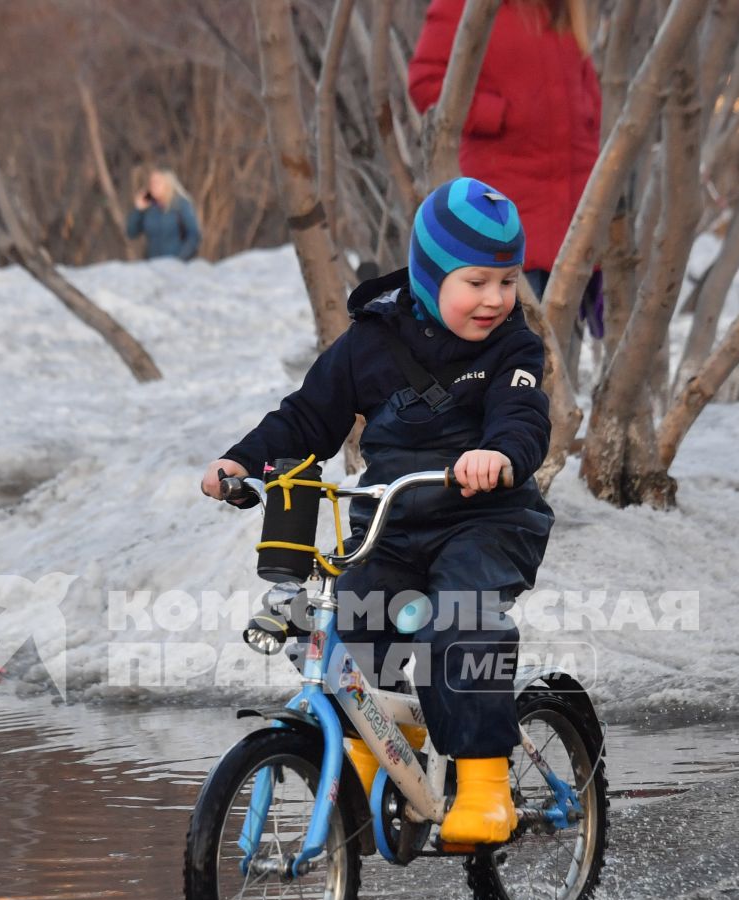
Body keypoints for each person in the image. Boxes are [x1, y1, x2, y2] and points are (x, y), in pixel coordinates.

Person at [199, 178, 553, 849]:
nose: (496, 300)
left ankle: (482, 785)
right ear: (430, 272)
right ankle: (374, 759)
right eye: (476, 281)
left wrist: (499, 454)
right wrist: (243, 463)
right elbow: (307, 418)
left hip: (487, 521)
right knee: (356, 622)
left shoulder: (511, 347)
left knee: (464, 620)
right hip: (390, 525)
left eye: (507, 282)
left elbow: (523, 415)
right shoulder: (372, 343)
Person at [408, 0, 600, 307]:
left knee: (558, 347)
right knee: (511, 341)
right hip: (503, 209)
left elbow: (588, 106)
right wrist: (498, 115)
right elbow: (426, 83)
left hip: (572, 222)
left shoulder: (561, 8)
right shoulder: (462, 6)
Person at [125, 167, 200, 262]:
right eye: (151, 182)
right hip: (153, 265)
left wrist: (180, 259)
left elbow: (194, 236)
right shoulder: (149, 206)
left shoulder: (181, 205)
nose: (153, 186)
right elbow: (131, 233)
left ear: (168, 184)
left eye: (157, 182)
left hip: (177, 265)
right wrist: (138, 210)